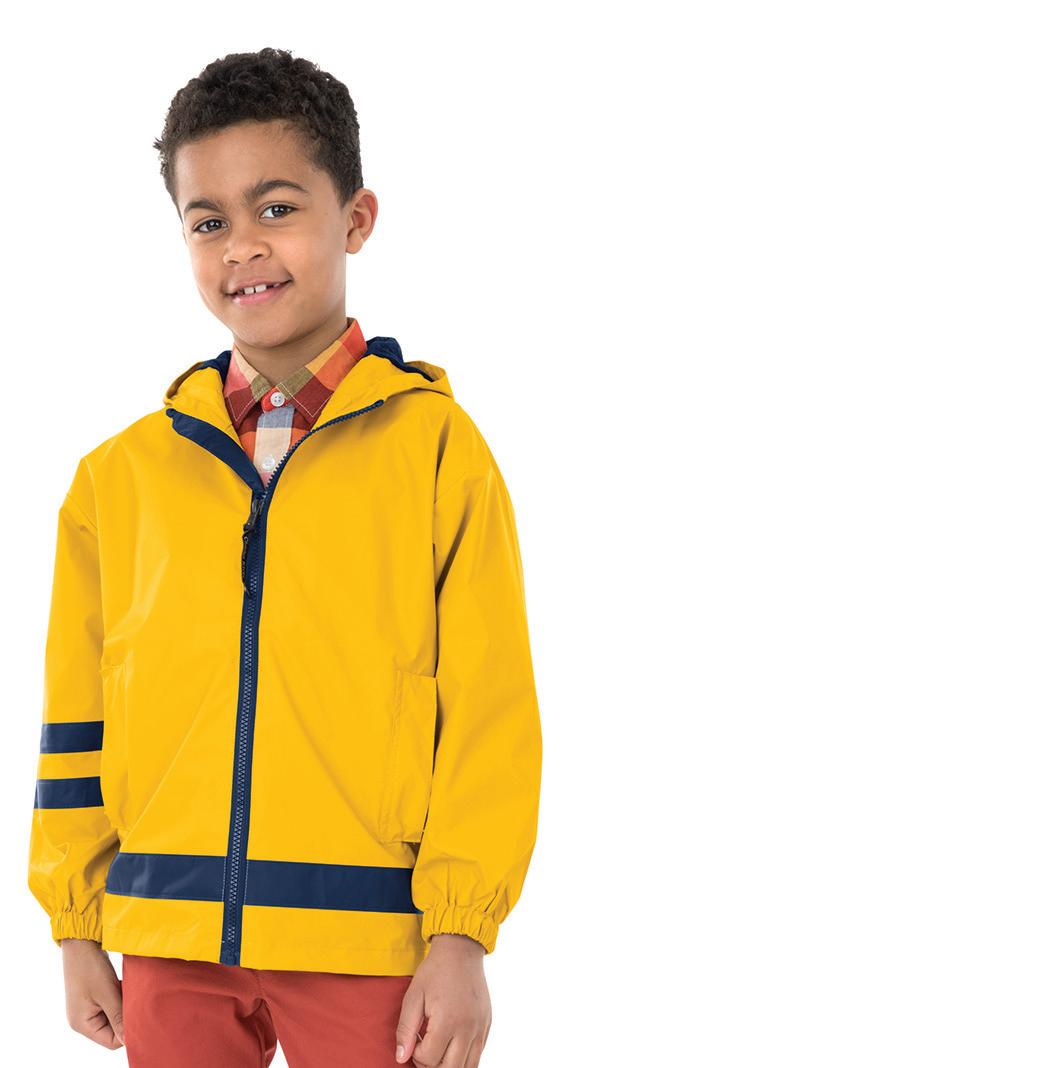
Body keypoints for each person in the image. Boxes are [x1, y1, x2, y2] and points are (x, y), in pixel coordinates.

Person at [27, 47, 542, 1068]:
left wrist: (460, 935)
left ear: (355, 218)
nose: (243, 247)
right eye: (207, 222)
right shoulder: (116, 478)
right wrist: (75, 925)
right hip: (166, 933)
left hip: (365, 938)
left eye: (276, 208)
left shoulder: (437, 451)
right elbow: (76, 716)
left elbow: (488, 713)